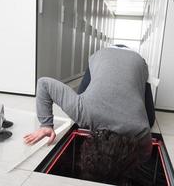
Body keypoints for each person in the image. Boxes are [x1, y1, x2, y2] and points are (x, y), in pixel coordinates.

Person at [23, 45, 155, 185]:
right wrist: (46, 125)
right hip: (109, 56)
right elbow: (43, 84)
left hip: (134, 60)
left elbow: (146, 153)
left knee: (150, 120)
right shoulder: (83, 112)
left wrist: (46, 124)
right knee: (150, 119)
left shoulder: (141, 129)